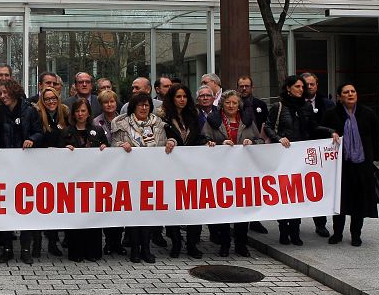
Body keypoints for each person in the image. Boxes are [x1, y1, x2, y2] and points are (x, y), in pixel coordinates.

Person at [265, 75, 338, 246]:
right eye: (297, 86)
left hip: (300, 158)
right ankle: (284, 231)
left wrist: (330, 132)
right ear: (288, 88)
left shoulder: (305, 106)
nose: (300, 90)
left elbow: (313, 127)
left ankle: (295, 232)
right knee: (284, 195)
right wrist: (278, 138)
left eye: (302, 87)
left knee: (297, 195)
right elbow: (268, 126)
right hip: (283, 157)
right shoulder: (279, 106)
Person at [111, 92, 173, 264]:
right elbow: (112, 144)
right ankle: (135, 249)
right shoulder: (121, 124)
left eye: (147, 105)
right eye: (140, 105)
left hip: (151, 175)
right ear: (133, 107)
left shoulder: (159, 124)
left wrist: (171, 142)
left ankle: (146, 249)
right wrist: (120, 145)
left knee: (147, 214)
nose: (144, 108)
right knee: (133, 214)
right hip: (128, 175)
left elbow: (166, 142)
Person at [0, 79, 43, 264]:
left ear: (14, 91)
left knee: (25, 207)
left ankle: (25, 249)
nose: (3, 96)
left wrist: (32, 139)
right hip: (4, 167)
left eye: (5, 92)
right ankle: (7, 248)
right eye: (0, 93)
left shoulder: (29, 110)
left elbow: (39, 132)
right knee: (5, 207)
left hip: (26, 166)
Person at [203, 90, 264, 257]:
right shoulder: (213, 120)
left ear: (239, 105)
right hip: (221, 172)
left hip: (244, 172)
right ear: (222, 104)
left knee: (242, 210)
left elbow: (260, 140)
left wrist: (251, 141)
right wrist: (219, 143)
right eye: (228, 103)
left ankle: (241, 244)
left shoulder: (248, 120)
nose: (231, 106)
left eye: (234, 103)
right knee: (223, 210)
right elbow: (203, 140)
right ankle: (224, 244)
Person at [322, 83, 379, 247]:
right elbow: (320, 130)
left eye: (353, 91)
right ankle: (337, 233)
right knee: (340, 202)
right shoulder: (331, 114)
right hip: (341, 165)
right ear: (339, 96)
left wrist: (372, 157)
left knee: (359, 202)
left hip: (362, 165)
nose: (350, 94)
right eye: (346, 92)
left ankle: (356, 234)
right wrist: (330, 132)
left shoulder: (367, 113)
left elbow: (376, 136)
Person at [161, 84, 205, 259]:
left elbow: (199, 136)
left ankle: (192, 243)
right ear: (172, 98)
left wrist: (206, 142)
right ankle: (176, 242)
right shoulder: (163, 118)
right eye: (178, 97)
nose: (182, 100)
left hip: (192, 169)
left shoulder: (194, 116)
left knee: (195, 207)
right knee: (173, 206)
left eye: (184, 97)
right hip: (171, 168)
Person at [62, 99, 108, 262]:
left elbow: (108, 151)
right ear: (73, 114)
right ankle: (76, 252)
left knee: (93, 216)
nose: (80, 114)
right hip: (73, 183)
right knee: (76, 217)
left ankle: (93, 251)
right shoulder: (67, 132)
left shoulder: (97, 130)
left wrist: (104, 149)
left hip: (94, 182)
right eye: (77, 111)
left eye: (83, 111)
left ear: (89, 112)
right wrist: (64, 150)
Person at [33, 86, 70, 257]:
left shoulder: (64, 113)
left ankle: (53, 243)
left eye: (53, 98)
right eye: (47, 99)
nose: (51, 102)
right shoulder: (37, 114)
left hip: (60, 168)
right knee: (40, 206)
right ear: (42, 100)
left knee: (55, 206)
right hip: (40, 167)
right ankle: (37, 242)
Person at [301, 72, 336, 238]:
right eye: (305, 84)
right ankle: (294, 226)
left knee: (319, 187)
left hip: (322, 152)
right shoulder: (294, 103)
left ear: (317, 85)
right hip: (299, 152)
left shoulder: (328, 104)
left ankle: (320, 223)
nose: (309, 87)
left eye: (312, 84)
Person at [92, 89, 125, 256]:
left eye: (112, 101)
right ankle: (108, 243)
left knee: (119, 207)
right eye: (106, 102)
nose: (109, 105)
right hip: (104, 170)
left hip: (122, 168)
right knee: (106, 207)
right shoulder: (96, 122)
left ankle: (117, 242)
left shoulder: (124, 120)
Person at [235, 75, 270, 234]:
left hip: (256, 149)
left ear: (252, 87)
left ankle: (255, 220)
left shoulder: (260, 105)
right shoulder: (234, 104)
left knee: (255, 186)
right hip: (237, 151)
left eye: (247, 86)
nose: (244, 89)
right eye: (241, 86)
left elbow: (265, 126)